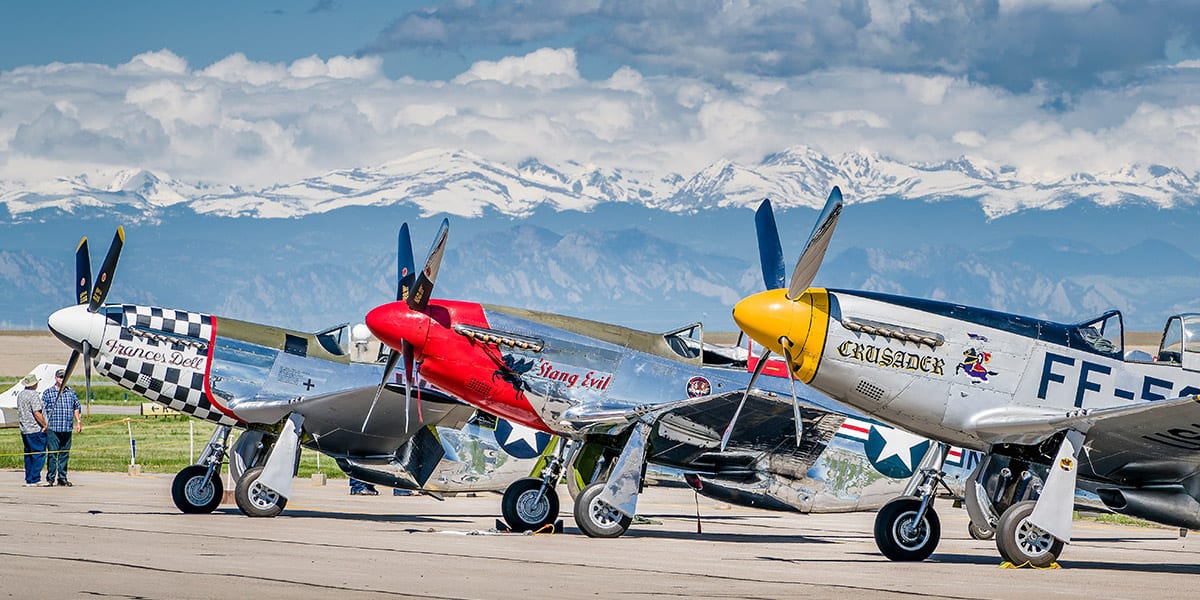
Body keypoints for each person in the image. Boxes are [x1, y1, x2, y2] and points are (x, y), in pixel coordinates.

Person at [42, 369, 81, 487]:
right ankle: (50, 478)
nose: (62, 379)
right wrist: (44, 425)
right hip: (53, 428)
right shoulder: (48, 393)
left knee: (64, 453)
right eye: (60, 377)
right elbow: (42, 410)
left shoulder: (71, 393)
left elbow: (76, 407)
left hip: (67, 428)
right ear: (55, 378)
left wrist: (78, 422)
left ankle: (62, 478)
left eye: (64, 377)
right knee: (53, 454)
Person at [16, 373, 48, 487]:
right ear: (34, 384)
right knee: (39, 454)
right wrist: (44, 424)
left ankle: (29, 478)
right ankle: (35, 478)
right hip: (35, 428)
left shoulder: (21, 395)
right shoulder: (33, 395)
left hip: (24, 428)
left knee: (28, 454)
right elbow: (36, 412)